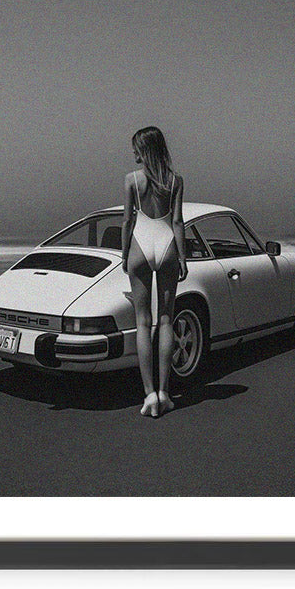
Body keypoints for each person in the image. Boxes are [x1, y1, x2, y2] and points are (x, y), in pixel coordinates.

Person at [121, 126, 188, 418]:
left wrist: (125, 256)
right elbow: (177, 222)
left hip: (139, 245)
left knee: (142, 321)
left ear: (144, 151)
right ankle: (164, 393)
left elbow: (126, 222)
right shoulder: (175, 182)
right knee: (165, 320)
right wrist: (183, 259)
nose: (133, 153)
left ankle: (148, 395)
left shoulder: (132, 181)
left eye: (136, 148)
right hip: (168, 245)